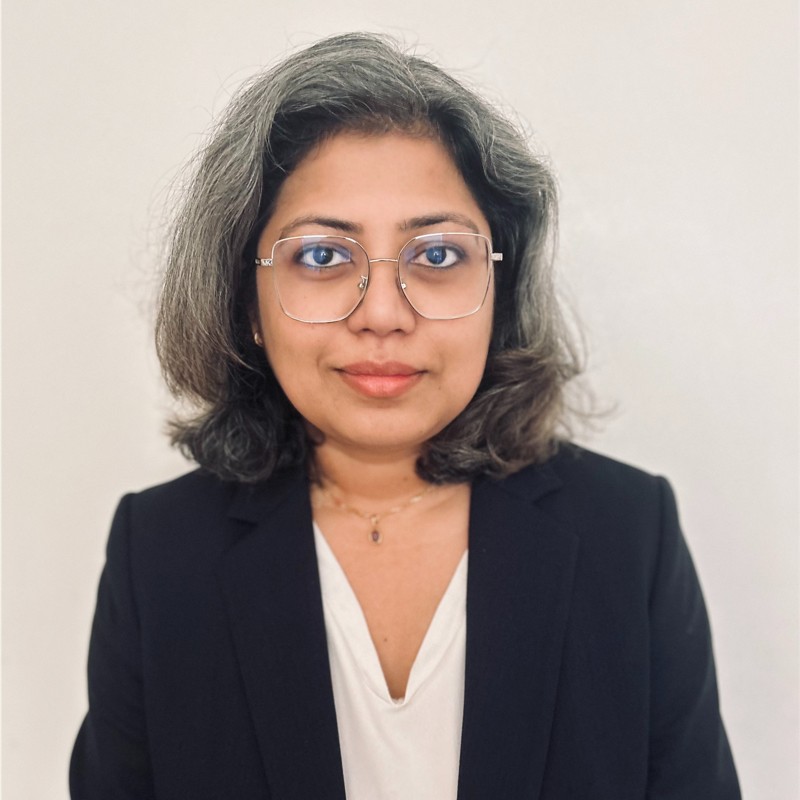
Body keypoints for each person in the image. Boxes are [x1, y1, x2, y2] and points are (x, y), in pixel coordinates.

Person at [70, 32, 740, 800]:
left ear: (499, 291)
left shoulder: (628, 535)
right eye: (322, 256)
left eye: (438, 255)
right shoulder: (160, 556)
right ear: (247, 302)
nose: (383, 314)